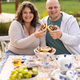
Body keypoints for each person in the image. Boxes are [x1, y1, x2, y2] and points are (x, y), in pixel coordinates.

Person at [0, 1, 46, 73]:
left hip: (32, 57)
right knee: (4, 73)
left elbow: (43, 44)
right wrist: (34, 36)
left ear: (34, 13)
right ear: (21, 14)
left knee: (39, 73)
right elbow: (18, 44)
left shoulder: (39, 24)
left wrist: (42, 57)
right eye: (25, 12)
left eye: (31, 12)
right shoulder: (15, 24)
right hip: (13, 55)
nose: (28, 15)